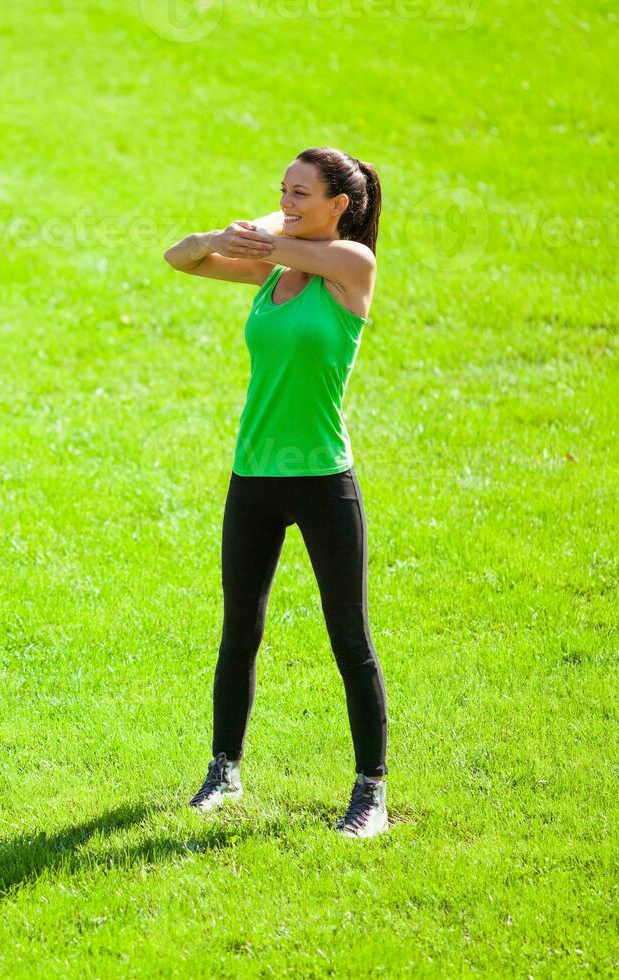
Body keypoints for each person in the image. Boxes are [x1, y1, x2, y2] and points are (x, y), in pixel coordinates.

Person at [163, 148, 390, 838]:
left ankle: (370, 794)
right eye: (281, 191)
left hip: (323, 479)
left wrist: (273, 228)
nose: (286, 201)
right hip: (253, 476)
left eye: (301, 192)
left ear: (339, 206)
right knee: (240, 631)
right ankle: (224, 770)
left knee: (348, 637)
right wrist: (223, 237)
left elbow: (293, 246)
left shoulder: (352, 268)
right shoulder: (276, 271)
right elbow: (180, 257)